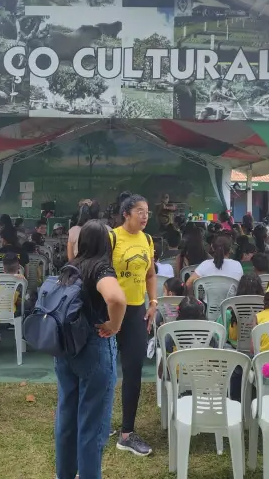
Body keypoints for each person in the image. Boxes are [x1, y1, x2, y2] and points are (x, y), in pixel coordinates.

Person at [54, 221, 126, 479]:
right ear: (107, 243)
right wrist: (114, 325)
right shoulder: (101, 268)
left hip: (66, 348)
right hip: (94, 347)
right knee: (92, 424)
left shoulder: (70, 267)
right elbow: (116, 298)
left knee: (66, 418)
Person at [110, 194, 156, 456]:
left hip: (137, 312)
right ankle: (100, 423)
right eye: (139, 211)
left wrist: (153, 302)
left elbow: (150, 274)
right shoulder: (112, 238)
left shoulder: (147, 240)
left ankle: (127, 433)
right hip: (109, 311)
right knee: (102, 370)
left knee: (133, 371)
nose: (145, 215)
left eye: (147, 211)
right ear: (125, 214)